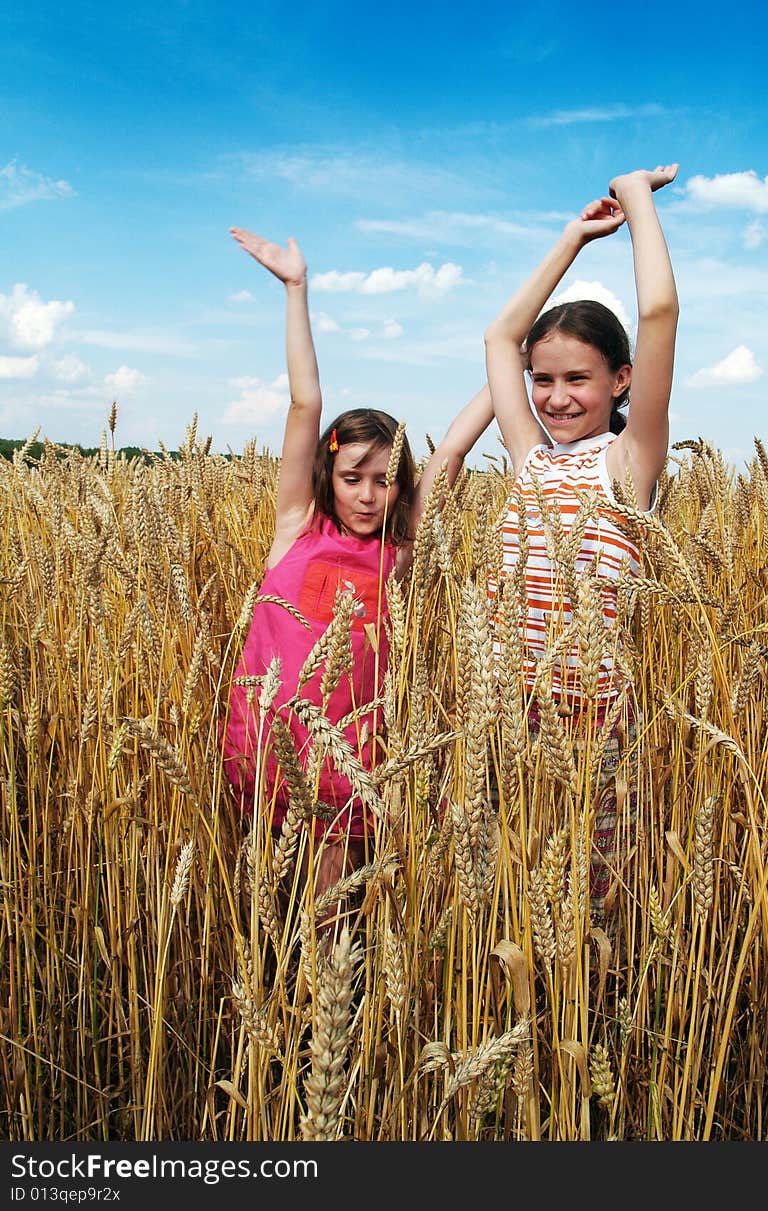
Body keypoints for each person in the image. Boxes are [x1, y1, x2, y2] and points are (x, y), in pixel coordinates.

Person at [221, 226, 494, 919]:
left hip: (351, 764)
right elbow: (305, 404)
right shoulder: (296, 531)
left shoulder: (397, 556)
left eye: (384, 479)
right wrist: (297, 290)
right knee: (264, 905)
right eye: (352, 477)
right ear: (327, 475)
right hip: (268, 749)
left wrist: (511, 360)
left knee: (327, 913)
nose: (369, 494)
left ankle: (319, 1017)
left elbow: (455, 448)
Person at [484, 165, 679, 927]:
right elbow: (500, 335)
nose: (556, 397)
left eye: (578, 379)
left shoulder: (628, 465)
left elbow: (659, 311)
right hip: (502, 715)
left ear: (622, 379)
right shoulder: (529, 455)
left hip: (592, 727)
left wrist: (633, 203)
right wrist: (572, 236)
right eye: (543, 379)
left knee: (584, 917)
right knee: (496, 901)